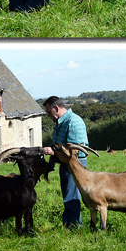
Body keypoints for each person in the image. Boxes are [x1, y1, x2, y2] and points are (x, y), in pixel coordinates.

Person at [42, 96, 89, 229]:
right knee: (68, 196)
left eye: (49, 112)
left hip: (74, 166)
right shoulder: (60, 122)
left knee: (71, 197)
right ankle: (70, 225)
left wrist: (52, 151)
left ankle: (74, 228)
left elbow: (74, 150)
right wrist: (53, 157)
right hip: (65, 165)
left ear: (56, 108)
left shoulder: (73, 121)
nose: (48, 115)